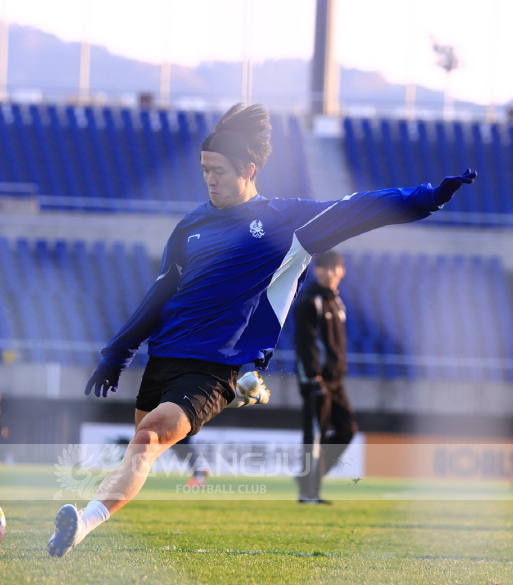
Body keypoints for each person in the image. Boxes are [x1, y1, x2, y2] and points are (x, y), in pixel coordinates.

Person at [47, 102, 477, 558]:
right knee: (143, 449)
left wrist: (428, 197)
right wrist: (116, 353)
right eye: (204, 170)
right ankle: (232, 400)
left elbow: (357, 208)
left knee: (149, 437)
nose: (209, 180)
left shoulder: (284, 222)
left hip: (215, 367)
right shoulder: (190, 226)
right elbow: (159, 294)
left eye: (218, 171)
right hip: (165, 357)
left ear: (248, 170)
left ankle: (81, 527)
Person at [293, 250, 354, 504]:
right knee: (315, 435)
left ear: (342, 271)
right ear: (316, 270)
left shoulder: (337, 302)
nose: (330, 272)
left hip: (336, 380)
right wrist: (312, 375)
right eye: (324, 267)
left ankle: (308, 478)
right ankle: (308, 493)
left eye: (334, 267)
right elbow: (304, 343)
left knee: (347, 430)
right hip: (316, 379)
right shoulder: (310, 301)